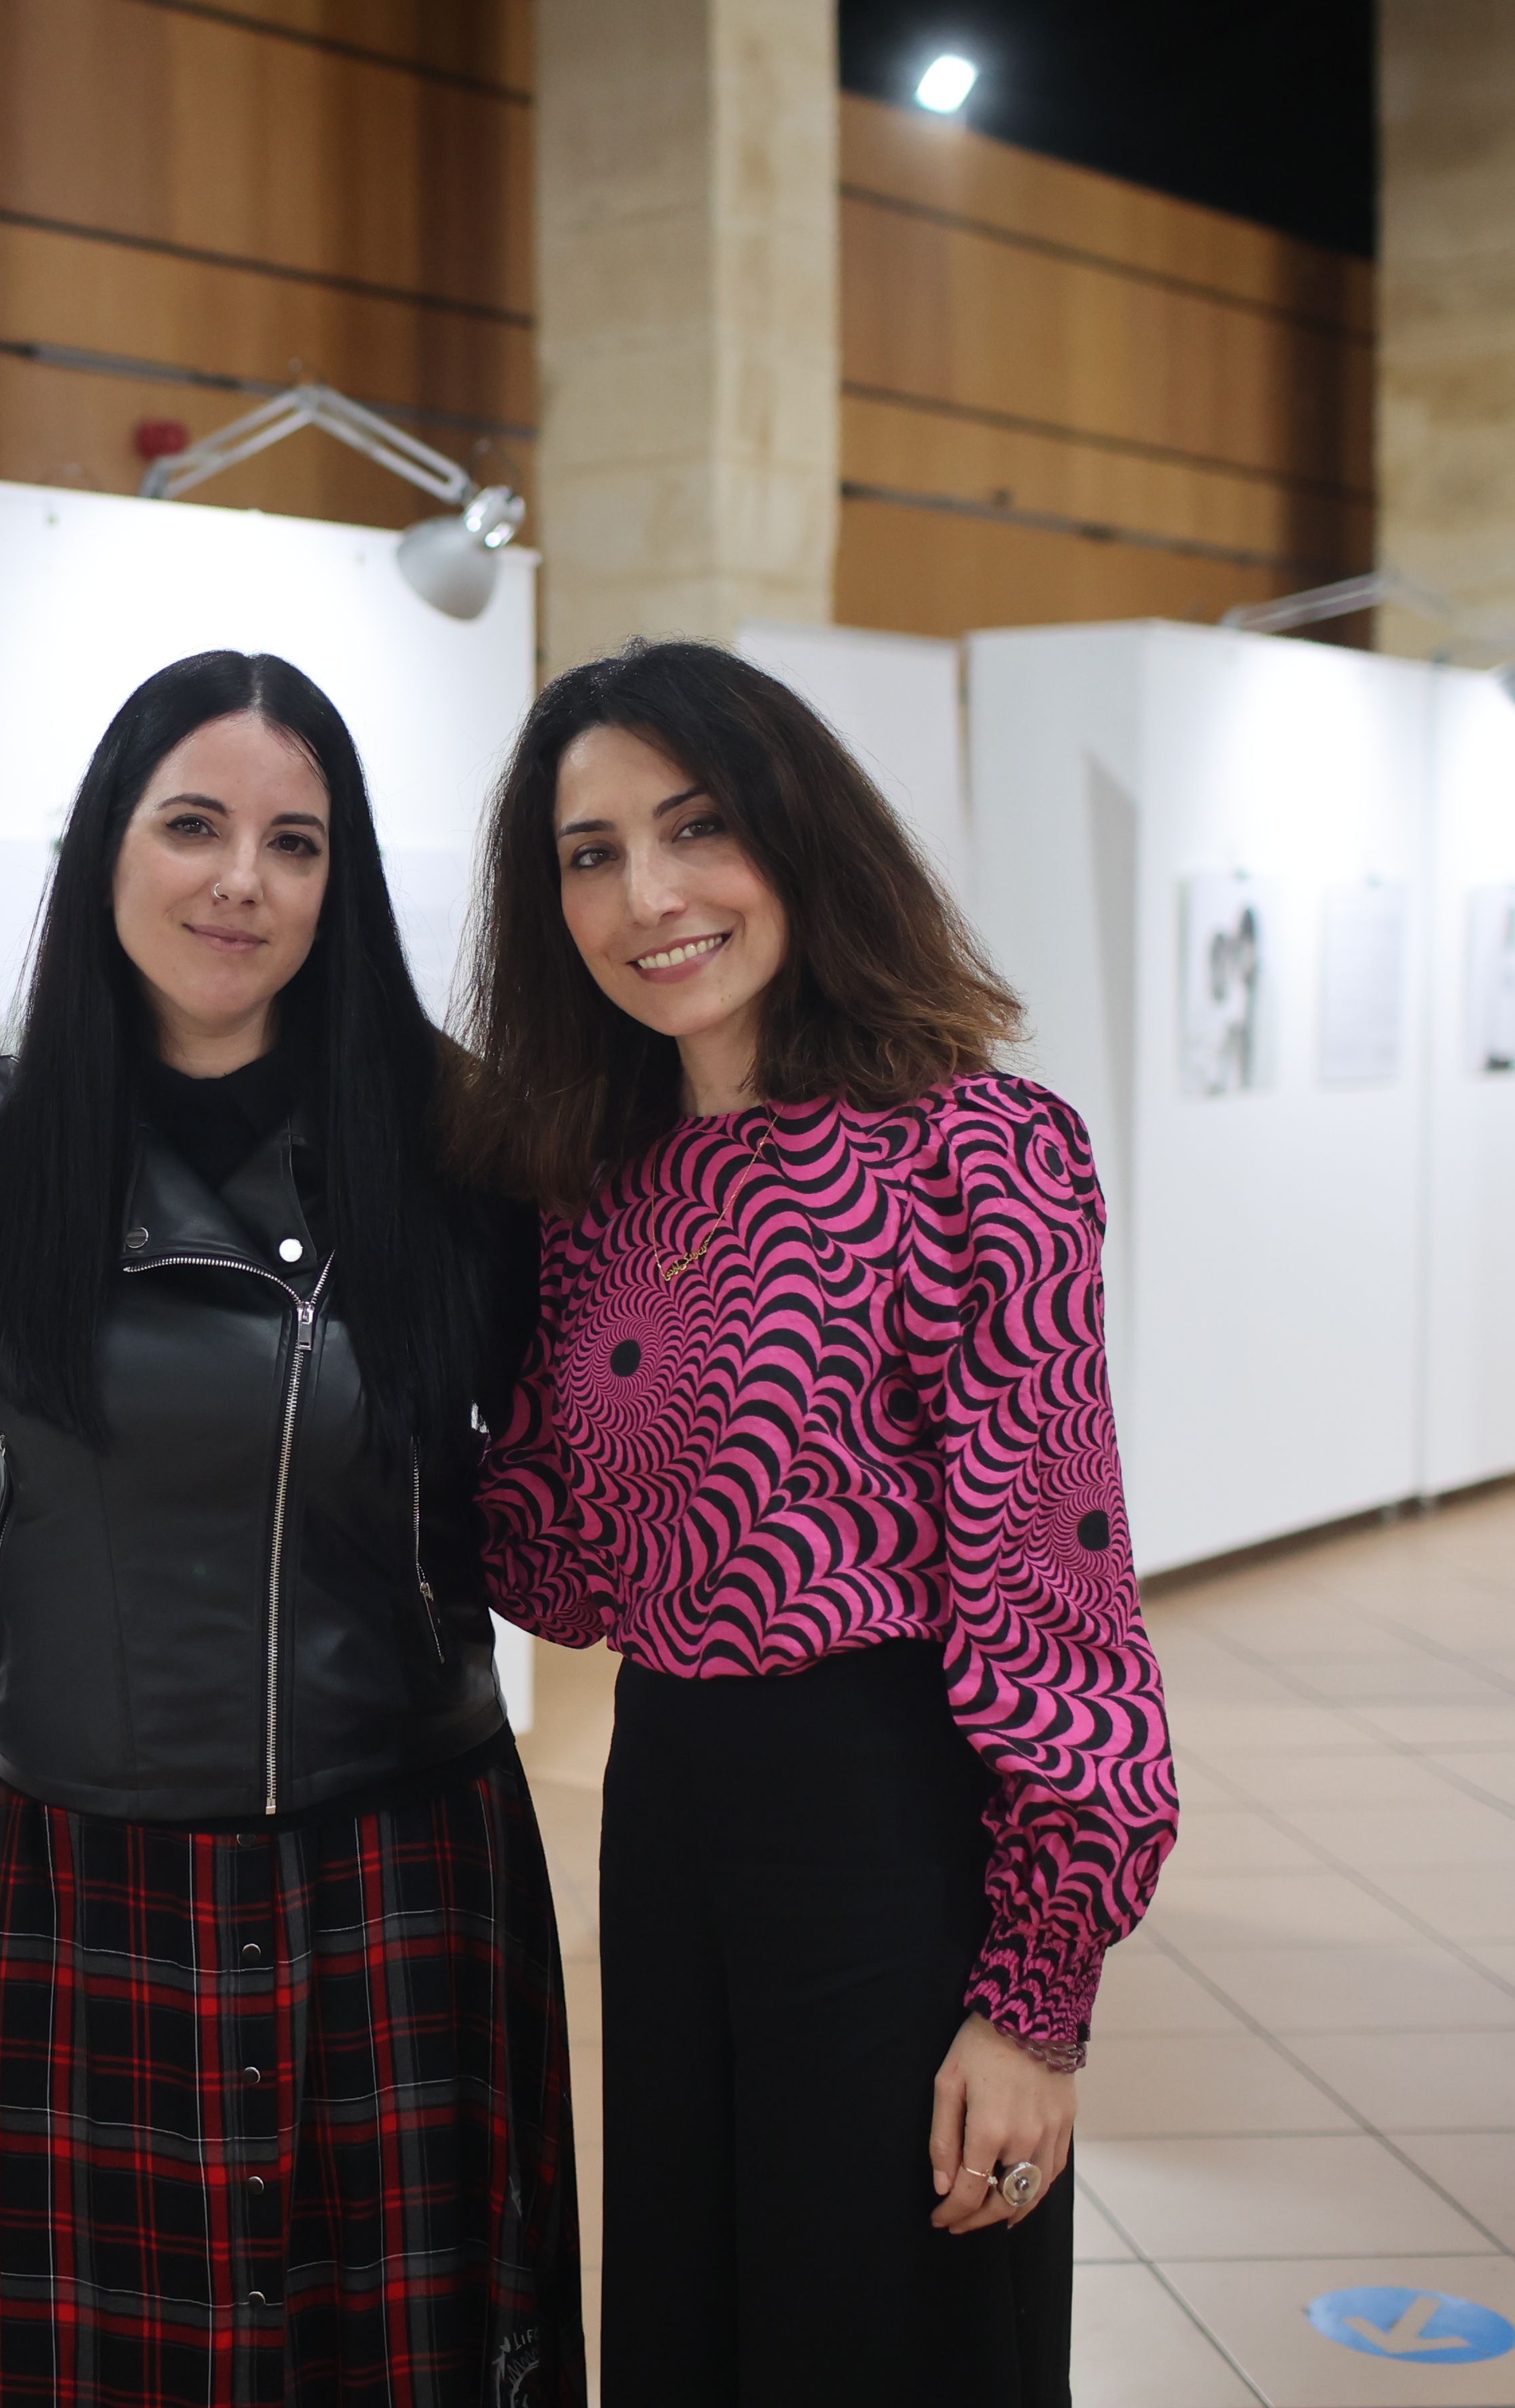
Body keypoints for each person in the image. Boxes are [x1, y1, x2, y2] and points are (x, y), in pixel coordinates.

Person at [451, 641, 1176, 2405]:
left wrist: (1032, 2002)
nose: (651, 896)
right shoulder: (599, 1188)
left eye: (696, 830)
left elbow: (1053, 1604)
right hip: (674, 1813)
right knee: (702, 2327)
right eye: (593, 853)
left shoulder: (973, 1151)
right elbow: (557, 1568)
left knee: (886, 2338)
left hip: (891, 1822)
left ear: (802, 835)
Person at [0, 651, 586, 2407]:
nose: (243, 882)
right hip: (81, 1862)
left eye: (296, 843)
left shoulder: (458, 1148)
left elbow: (576, 1471)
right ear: (107, 851)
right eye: (194, 826)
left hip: (401, 1857)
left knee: (408, 2358)